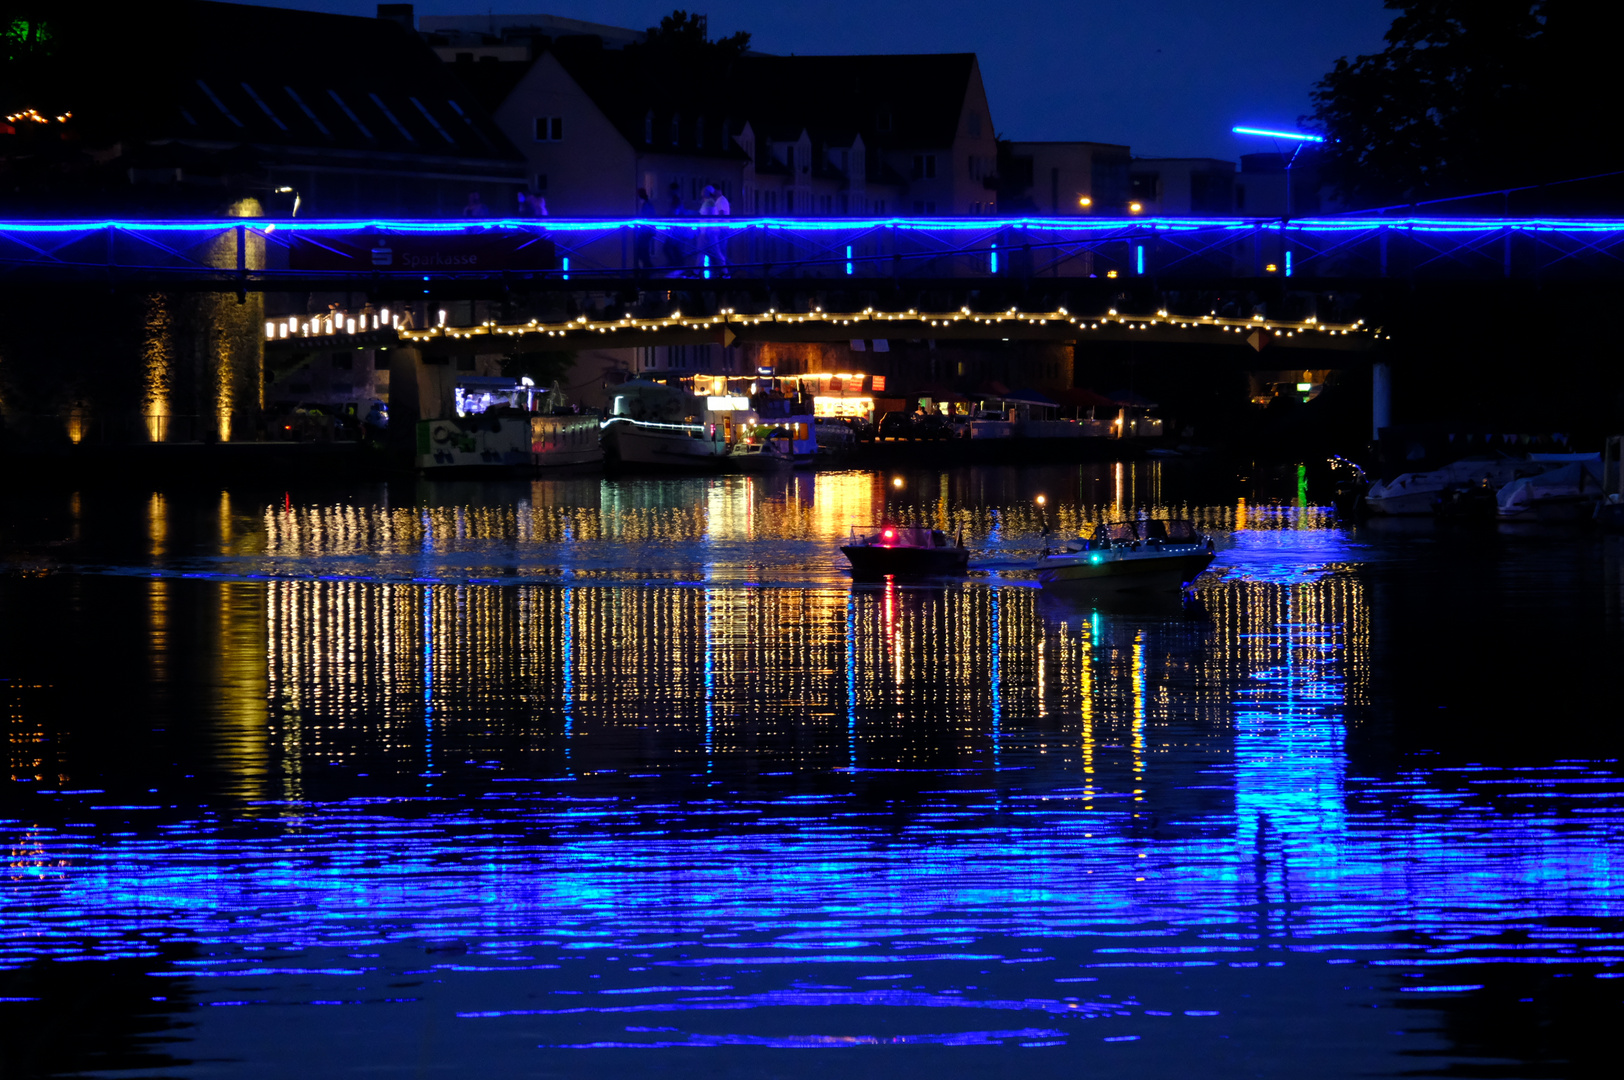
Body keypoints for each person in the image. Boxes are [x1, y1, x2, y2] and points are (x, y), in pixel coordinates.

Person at [698, 184, 730, 275]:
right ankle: (723, 270)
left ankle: (723, 271)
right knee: (707, 251)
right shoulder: (710, 202)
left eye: (704, 191)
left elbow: (710, 216)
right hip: (709, 231)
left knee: (715, 251)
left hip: (709, 231)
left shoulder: (711, 202)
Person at [663, 181, 686, 272]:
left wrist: (667, 219)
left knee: (667, 247)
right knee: (675, 247)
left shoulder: (676, 200)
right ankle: (678, 266)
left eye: (669, 190)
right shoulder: (676, 199)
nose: (668, 192)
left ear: (673, 190)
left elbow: (675, 213)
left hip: (676, 229)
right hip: (678, 229)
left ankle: (675, 265)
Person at [633, 187, 655, 275]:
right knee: (642, 252)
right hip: (646, 232)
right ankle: (647, 271)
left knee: (641, 252)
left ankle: (648, 271)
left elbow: (646, 219)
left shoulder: (646, 206)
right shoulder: (647, 205)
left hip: (645, 233)